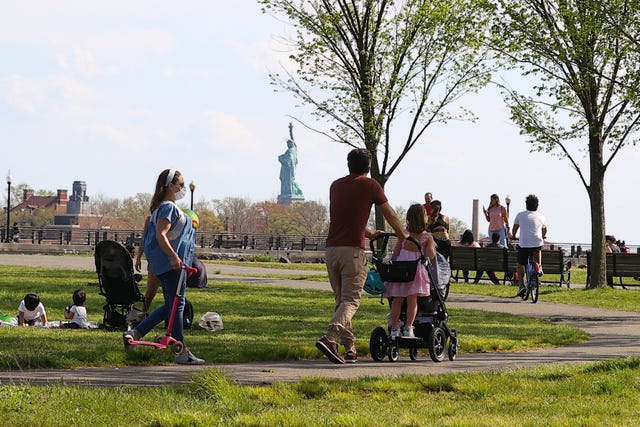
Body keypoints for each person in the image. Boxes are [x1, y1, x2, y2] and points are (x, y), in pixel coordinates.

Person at [316, 148, 409, 364]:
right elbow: (390, 214)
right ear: (369, 167)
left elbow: (345, 217)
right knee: (351, 300)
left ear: (348, 165)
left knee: (341, 301)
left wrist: (369, 233)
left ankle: (350, 348)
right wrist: (402, 235)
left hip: (331, 250)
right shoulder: (370, 185)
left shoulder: (336, 185)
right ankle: (330, 338)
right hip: (352, 252)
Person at [123, 168, 204, 365]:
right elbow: (161, 234)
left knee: (172, 305)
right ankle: (181, 351)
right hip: (172, 264)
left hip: (168, 264)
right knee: (177, 305)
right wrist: (174, 257)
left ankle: (136, 332)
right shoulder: (168, 208)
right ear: (170, 186)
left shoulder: (161, 207)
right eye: (180, 184)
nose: (182, 188)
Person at [384, 204, 436, 338]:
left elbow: (396, 252)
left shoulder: (403, 235)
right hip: (416, 271)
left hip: (401, 270)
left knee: (397, 300)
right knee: (412, 301)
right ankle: (408, 327)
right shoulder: (427, 237)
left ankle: (394, 327)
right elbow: (430, 255)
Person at [511, 194, 547, 297]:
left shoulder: (520, 215)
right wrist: (543, 236)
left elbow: (514, 229)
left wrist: (513, 235)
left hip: (524, 244)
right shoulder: (541, 216)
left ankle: (521, 285)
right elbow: (544, 230)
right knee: (538, 250)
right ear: (537, 205)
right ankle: (539, 266)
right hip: (537, 242)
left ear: (526, 205)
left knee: (520, 263)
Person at [278, 122, 304, 199]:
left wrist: (291, 130)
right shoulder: (289, 150)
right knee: (284, 179)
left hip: (290, 168)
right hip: (285, 168)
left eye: (290, 143)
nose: (289, 144)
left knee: (290, 180)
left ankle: (291, 191)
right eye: (288, 143)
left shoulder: (294, 150)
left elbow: (293, 139)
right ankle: (285, 192)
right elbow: (286, 159)